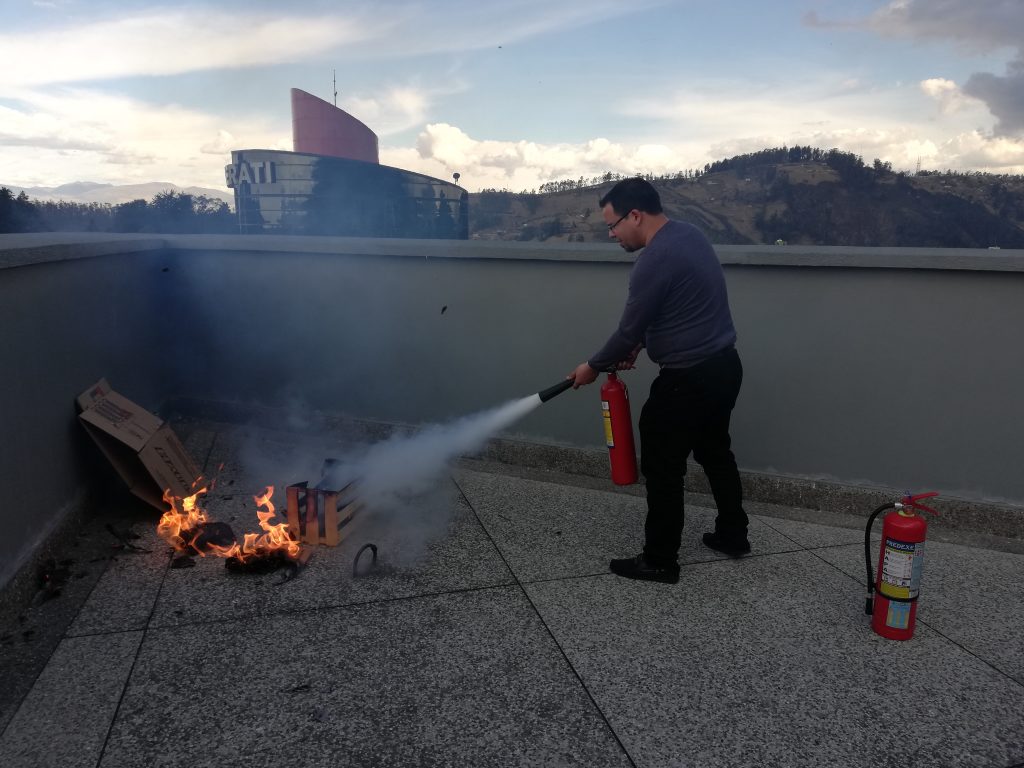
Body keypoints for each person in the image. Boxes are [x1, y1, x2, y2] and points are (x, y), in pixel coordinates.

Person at [568, 177, 749, 584]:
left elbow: (627, 329)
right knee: (715, 451)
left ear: (636, 215)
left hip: (688, 380)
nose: (611, 234)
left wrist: (593, 365)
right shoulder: (690, 235)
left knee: (663, 467)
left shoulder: (653, 260)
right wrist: (642, 344)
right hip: (724, 367)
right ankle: (734, 535)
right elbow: (678, 309)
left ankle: (660, 560)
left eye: (613, 225)